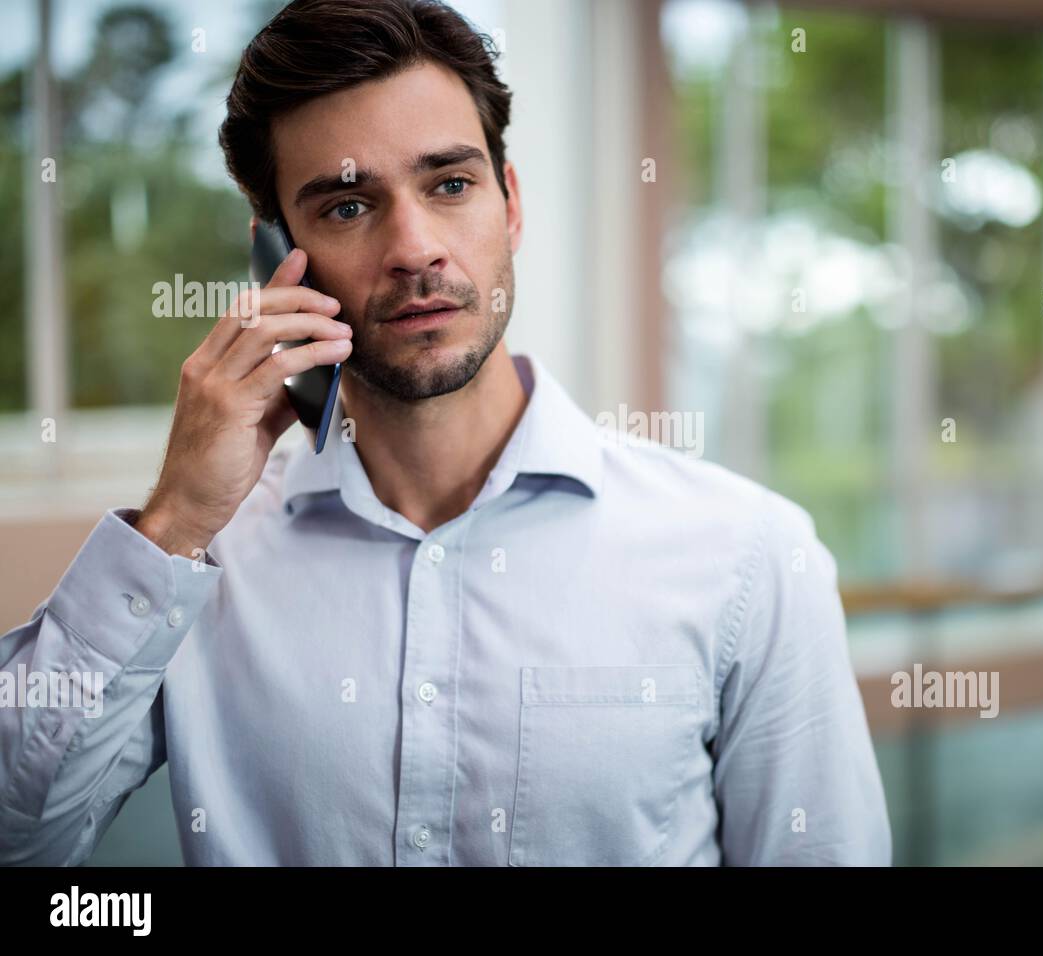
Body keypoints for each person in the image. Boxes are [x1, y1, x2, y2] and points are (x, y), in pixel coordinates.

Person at [0, 0, 889, 866]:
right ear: (274, 255)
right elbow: (17, 831)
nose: (415, 247)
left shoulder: (749, 555)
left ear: (509, 204)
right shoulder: (195, 573)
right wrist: (173, 524)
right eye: (348, 206)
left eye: (450, 184)